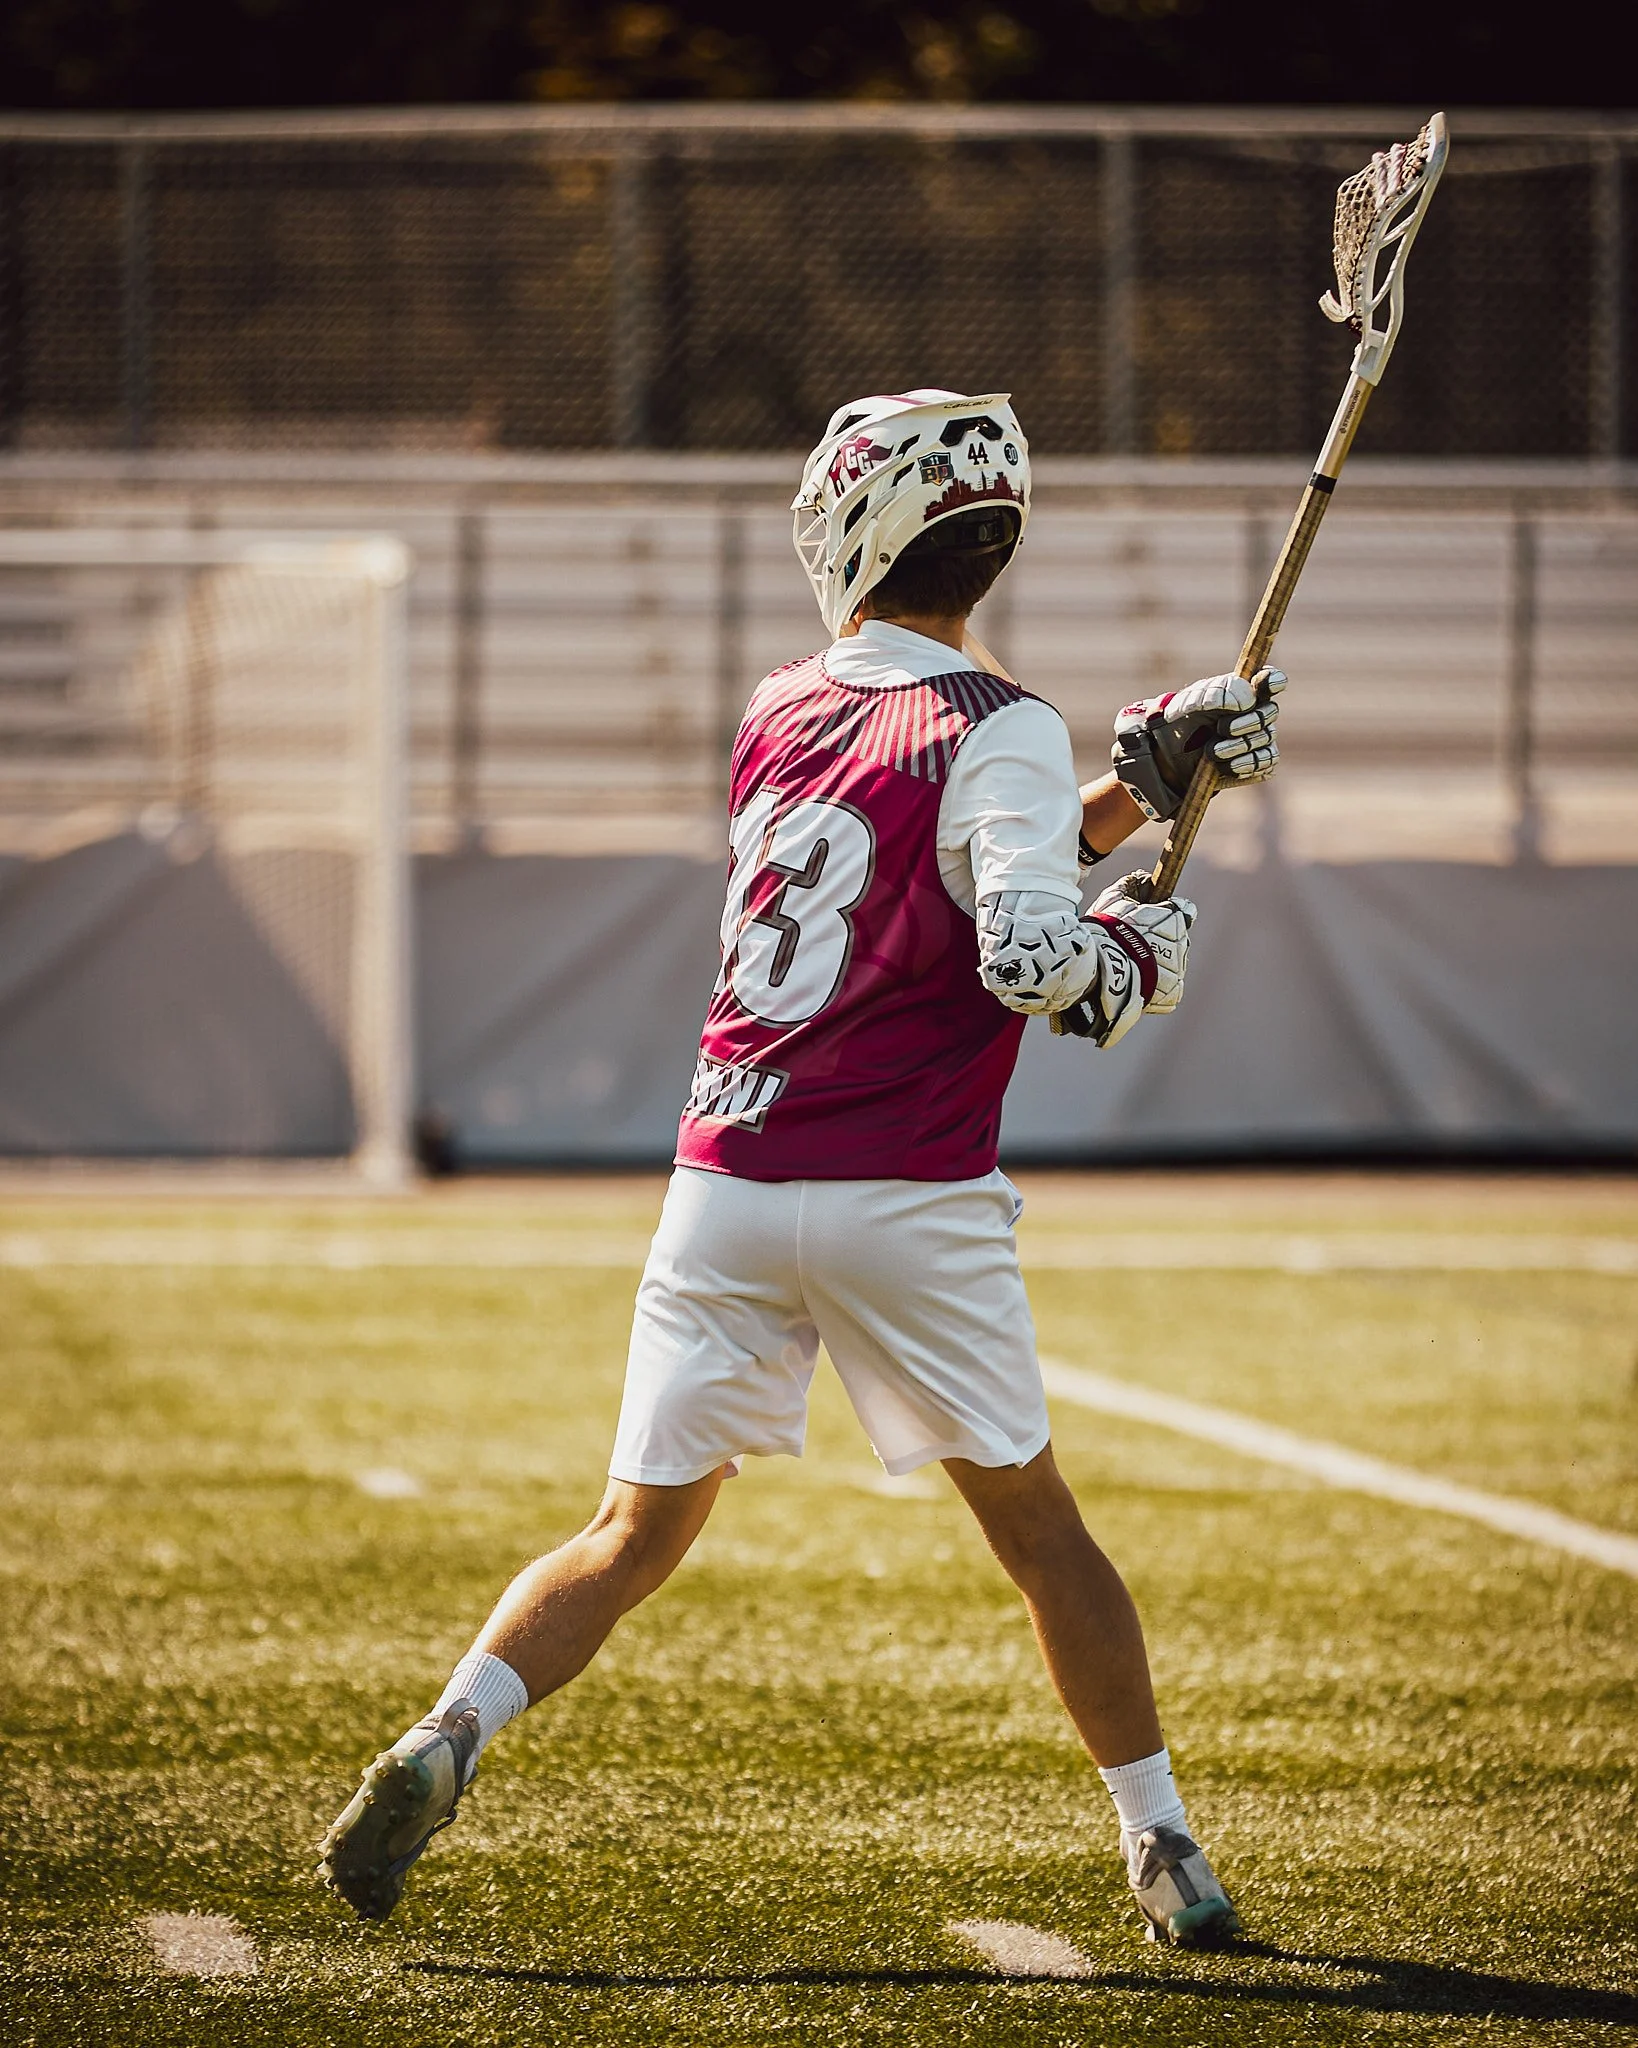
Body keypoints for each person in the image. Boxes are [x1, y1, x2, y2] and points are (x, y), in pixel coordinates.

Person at [319, 389, 1283, 1947]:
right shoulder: (1001, 722)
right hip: (905, 1192)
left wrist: (1145, 784)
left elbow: (946, 864)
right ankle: (1161, 1843)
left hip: (728, 1182)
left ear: (852, 525)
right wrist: (1137, 949)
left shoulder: (784, 705)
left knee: (629, 1534)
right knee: (1042, 1537)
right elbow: (1029, 948)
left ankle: (448, 1735)